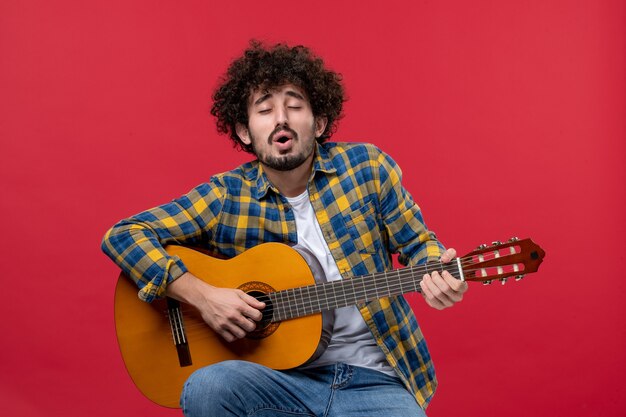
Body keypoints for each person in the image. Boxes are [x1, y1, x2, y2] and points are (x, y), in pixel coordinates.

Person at [102, 41, 468, 417]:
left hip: (375, 380)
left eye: (294, 106)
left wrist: (439, 273)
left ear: (319, 123)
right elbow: (124, 235)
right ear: (245, 131)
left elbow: (420, 245)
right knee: (208, 387)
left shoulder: (367, 168)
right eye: (265, 109)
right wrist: (203, 297)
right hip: (278, 382)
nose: (281, 119)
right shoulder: (226, 195)